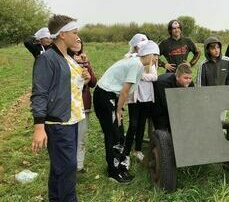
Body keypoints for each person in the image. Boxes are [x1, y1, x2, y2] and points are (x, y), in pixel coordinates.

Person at [31, 14, 89, 201]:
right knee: (67, 169)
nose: (77, 36)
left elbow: (69, 86)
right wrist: (39, 127)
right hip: (58, 123)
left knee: (60, 168)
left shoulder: (68, 57)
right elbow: (40, 93)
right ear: (62, 34)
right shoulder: (47, 59)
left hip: (72, 119)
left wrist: (84, 78)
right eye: (74, 32)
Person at [93, 41, 160, 183]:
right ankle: (113, 172)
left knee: (118, 134)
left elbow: (126, 91)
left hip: (111, 96)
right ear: (147, 53)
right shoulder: (136, 64)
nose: (156, 59)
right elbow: (124, 91)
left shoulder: (139, 64)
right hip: (105, 95)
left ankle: (117, 167)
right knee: (114, 134)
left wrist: (120, 108)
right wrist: (118, 109)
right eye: (154, 55)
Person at [124, 40, 158, 170]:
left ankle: (137, 150)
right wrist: (143, 75)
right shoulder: (132, 59)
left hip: (147, 97)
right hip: (135, 98)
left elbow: (154, 77)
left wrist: (140, 75)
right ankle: (126, 153)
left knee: (142, 123)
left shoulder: (152, 62)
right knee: (133, 124)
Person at [68, 38, 97, 172]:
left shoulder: (85, 60)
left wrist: (86, 65)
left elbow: (93, 82)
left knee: (82, 135)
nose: (77, 42)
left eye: (79, 41)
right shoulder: (65, 60)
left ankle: (79, 165)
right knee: (69, 137)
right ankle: (69, 163)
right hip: (69, 104)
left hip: (84, 103)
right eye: (74, 40)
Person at [152, 63, 194, 131]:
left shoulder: (189, 83)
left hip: (175, 104)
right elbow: (165, 103)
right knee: (163, 132)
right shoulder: (163, 83)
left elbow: (191, 99)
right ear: (177, 77)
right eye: (185, 78)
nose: (188, 80)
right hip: (159, 107)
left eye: (190, 78)